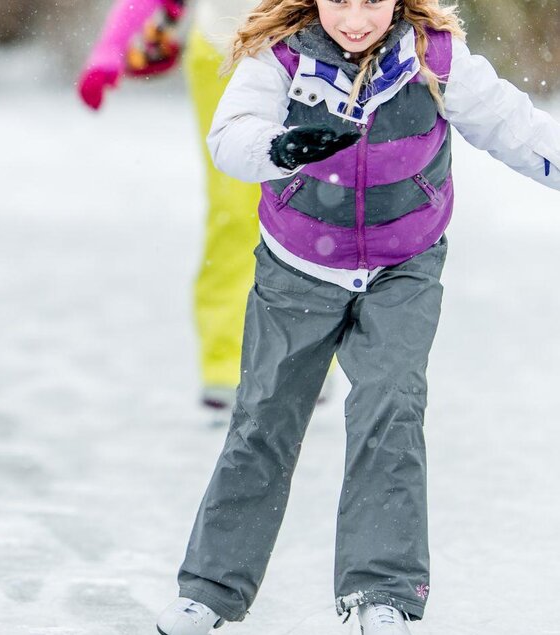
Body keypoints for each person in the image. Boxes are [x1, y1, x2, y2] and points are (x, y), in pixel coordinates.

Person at [153, 0, 560, 633]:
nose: (354, 18)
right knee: (266, 416)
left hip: (404, 266)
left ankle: (383, 593)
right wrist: (281, 147)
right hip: (297, 268)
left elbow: (517, 128)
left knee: (391, 407)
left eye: (371, 0)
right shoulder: (280, 54)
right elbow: (230, 136)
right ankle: (210, 590)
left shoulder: (434, 57)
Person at [78, 0, 267, 425]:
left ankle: (309, 350)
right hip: (222, 53)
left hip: (314, 57)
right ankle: (226, 360)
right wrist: (111, 47)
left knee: (309, 202)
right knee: (235, 209)